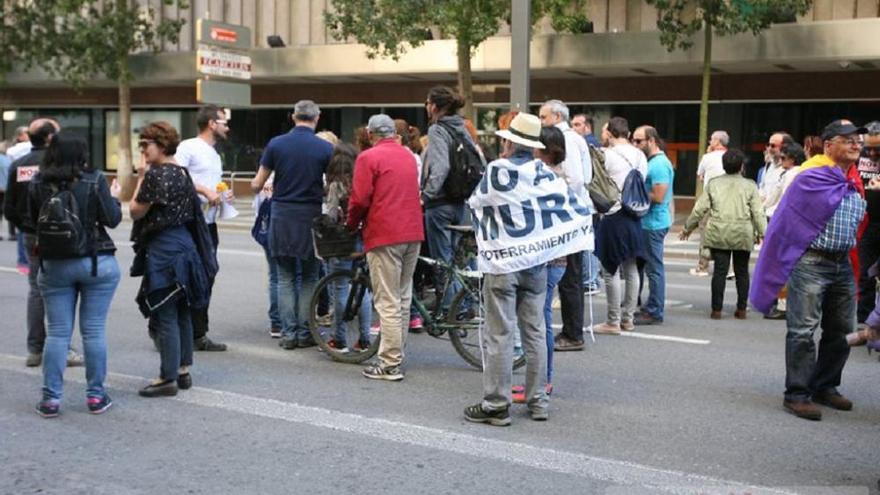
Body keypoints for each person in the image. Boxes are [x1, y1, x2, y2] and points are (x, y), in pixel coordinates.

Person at [750, 120, 867, 421]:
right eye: (847, 140)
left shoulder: (853, 180)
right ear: (829, 146)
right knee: (803, 330)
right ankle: (797, 393)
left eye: (857, 140)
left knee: (841, 329)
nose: (856, 144)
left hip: (842, 263)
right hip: (812, 263)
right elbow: (788, 221)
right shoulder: (810, 177)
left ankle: (825, 386)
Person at [463, 113, 553, 426]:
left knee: (500, 333)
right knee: (535, 332)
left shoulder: (498, 170)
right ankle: (538, 400)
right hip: (536, 262)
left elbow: (477, 202)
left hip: (503, 261)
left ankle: (496, 404)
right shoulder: (544, 173)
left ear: (509, 141)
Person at [28, 131, 121, 417]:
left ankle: (51, 399)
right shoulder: (94, 180)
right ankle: (95, 396)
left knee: (57, 333)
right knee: (93, 331)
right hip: (96, 261)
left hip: (55, 263)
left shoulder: (38, 183)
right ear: (82, 154)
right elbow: (113, 219)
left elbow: (31, 222)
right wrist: (114, 197)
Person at [131, 122, 217, 397]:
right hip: (186, 246)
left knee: (165, 312)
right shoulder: (182, 173)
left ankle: (166, 378)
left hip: (165, 248)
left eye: (147, 145)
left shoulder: (156, 176)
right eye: (141, 145)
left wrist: (141, 177)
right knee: (181, 309)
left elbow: (135, 211)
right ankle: (182, 371)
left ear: (162, 144)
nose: (143, 150)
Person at [346, 114, 424, 381]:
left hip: (385, 233)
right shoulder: (407, 155)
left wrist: (350, 224)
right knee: (402, 297)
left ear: (370, 133)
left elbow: (359, 199)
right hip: (413, 231)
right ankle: (397, 352)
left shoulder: (368, 158)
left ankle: (390, 363)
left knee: (387, 301)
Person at [251, 100, 333, 350]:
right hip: (310, 216)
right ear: (317, 118)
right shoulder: (324, 147)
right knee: (309, 277)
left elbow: (256, 183)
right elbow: (331, 186)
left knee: (285, 277)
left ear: (293, 117)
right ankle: (305, 331)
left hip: (282, 216)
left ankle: (287, 334)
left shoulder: (276, 144)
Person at [5, 118, 84, 368]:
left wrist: (27, 227)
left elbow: (10, 208)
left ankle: (36, 349)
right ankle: (64, 347)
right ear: (50, 138)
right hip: (62, 235)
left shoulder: (18, 165)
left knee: (37, 289)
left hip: (31, 235)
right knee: (63, 289)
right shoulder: (58, 165)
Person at [422, 86, 485, 315]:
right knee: (462, 259)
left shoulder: (437, 130)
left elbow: (441, 167)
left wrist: (425, 196)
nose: (426, 107)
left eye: (428, 103)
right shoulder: (461, 127)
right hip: (462, 201)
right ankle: (467, 304)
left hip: (440, 203)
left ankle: (449, 308)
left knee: (442, 259)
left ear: (435, 106)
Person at [681, 149, 765, 319]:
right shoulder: (750, 185)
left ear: (723, 165)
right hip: (743, 232)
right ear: (742, 166)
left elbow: (700, 209)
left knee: (720, 271)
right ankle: (741, 309)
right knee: (742, 271)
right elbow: (757, 212)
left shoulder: (714, 183)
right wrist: (763, 233)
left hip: (719, 232)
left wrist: (688, 228)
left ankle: (716, 310)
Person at [538, 99, 593, 351]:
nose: (541, 122)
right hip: (574, 216)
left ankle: (572, 333)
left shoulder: (566, 138)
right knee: (571, 275)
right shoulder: (575, 139)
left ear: (557, 116)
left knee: (569, 276)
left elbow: (576, 179)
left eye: (543, 117)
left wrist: (560, 204)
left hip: (568, 218)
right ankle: (573, 331)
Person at [174, 105, 229, 352]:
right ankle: (168, 329)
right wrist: (204, 190)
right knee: (188, 276)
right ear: (211, 123)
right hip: (189, 222)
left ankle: (198, 333)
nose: (227, 127)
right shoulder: (189, 146)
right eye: (223, 122)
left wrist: (221, 192)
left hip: (209, 223)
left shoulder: (214, 154)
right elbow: (175, 174)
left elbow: (211, 183)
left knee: (207, 275)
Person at [593, 117, 647, 335]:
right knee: (631, 268)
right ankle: (628, 319)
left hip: (613, 213)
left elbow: (597, 183)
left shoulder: (606, 155)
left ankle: (612, 321)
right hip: (634, 214)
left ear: (609, 133)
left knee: (610, 269)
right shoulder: (640, 156)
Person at [323, 143, 373, 351]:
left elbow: (332, 215)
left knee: (341, 288)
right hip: (364, 237)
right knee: (362, 289)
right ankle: (364, 339)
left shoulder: (336, 185)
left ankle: (339, 339)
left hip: (343, 241)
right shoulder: (363, 181)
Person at [633, 125, 674, 325]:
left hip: (653, 224)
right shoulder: (652, 162)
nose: (636, 145)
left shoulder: (658, 165)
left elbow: (658, 196)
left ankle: (655, 310)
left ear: (651, 141)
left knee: (654, 268)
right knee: (641, 266)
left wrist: (634, 193)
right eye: (634, 140)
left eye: (639, 141)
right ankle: (641, 305)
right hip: (647, 222)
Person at [690, 130, 729, 277]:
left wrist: (708, 153)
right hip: (728, 202)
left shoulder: (707, 157)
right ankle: (728, 268)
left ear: (717, 142)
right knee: (726, 233)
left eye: (712, 140)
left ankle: (703, 266)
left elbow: (700, 176)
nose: (709, 142)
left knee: (705, 232)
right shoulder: (732, 157)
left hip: (710, 199)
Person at [856, 121, 880, 323]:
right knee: (865, 275)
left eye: (877, 149)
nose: (872, 154)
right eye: (868, 148)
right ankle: (865, 323)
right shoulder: (857, 156)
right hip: (867, 225)